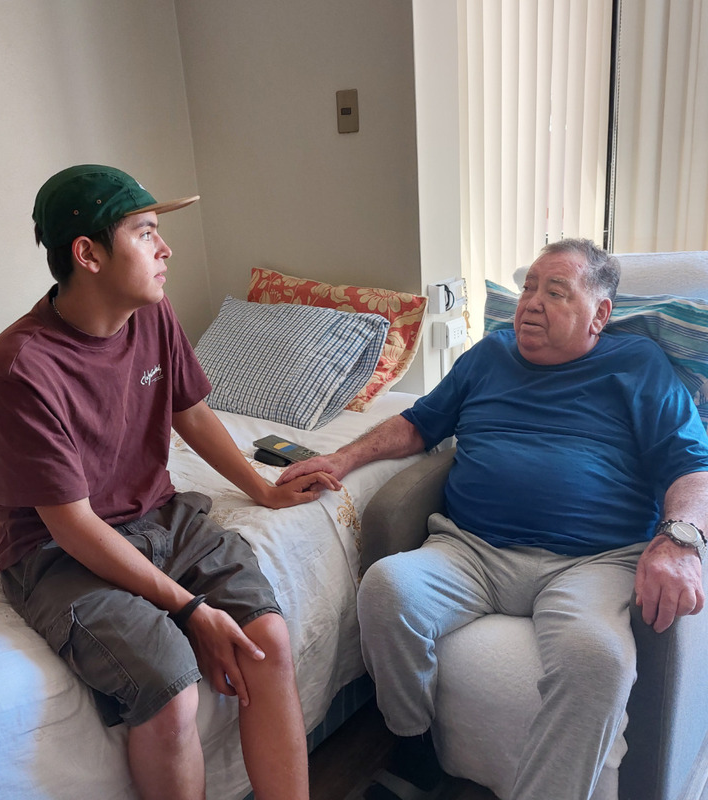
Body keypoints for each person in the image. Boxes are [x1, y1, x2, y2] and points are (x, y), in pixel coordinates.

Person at [278, 238, 708, 800]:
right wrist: (342, 458)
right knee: (386, 589)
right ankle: (414, 751)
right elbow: (417, 423)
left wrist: (681, 540)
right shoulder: (488, 356)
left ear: (599, 315)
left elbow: (690, 464)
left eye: (555, 292)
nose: (531, 302)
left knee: (597, 661)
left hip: (593, 561)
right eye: (529, 288)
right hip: (472, 550)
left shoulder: (638, 365)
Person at [0, 164, 340, 800]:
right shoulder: (19, 368)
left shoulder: (152, 314)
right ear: (88, 254)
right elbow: (72, 525)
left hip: (159, 514)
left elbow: (190, 412)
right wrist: (189, 609)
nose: (165, 248)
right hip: (57, 551)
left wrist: (261, 488)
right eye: (145, 233)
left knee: (268, 642)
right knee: (171, 690)